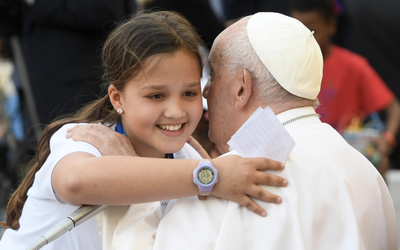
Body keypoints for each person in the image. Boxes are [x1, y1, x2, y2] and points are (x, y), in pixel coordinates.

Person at [67, 12, 397, 249]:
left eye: (214, 75)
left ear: (241, 88)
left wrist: (127, 168)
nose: (206, 93)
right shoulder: (363, 169)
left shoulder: (231, 180)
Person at [0, 11, 289, 249]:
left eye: (189, 93)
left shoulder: (187, 156)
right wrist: (212, 175)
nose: (176, 111)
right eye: (156, 96)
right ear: (118, 98)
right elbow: (75, 181)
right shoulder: (83, 139)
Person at [289, 0, 400, 176]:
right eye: (298, 32)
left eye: (312, 32)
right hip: (302, 164)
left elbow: (394, 109)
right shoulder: (286, 67)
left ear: (331, 26)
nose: (305, 40)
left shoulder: (354, 66)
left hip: (347, 163)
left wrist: (385, 143)